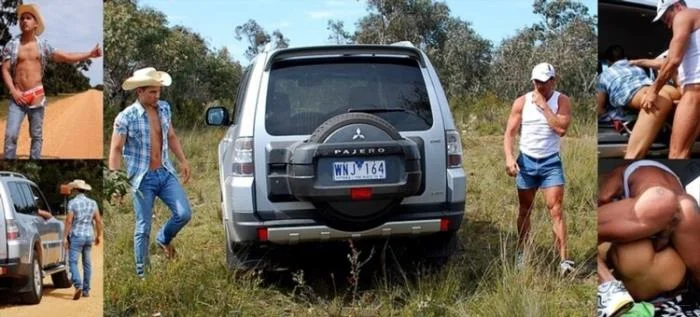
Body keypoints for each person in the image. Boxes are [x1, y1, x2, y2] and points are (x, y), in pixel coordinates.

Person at [108, 67, 192, 279]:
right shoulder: (125, 117)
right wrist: (116, 180)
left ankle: (163, 238)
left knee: (184, 214)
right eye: (152, 92)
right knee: (143, 227)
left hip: (164, 172)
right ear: (140, 92)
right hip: (142, 179)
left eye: (158, 91)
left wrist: (183, 160)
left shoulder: (164, 109)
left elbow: (171, 136)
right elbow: (116, 149)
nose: (157, 96)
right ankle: (143, 275)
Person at [596, 160, 700, 316]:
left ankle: (607, 285)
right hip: (684, 203)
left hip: (653, 203)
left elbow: (604, 196)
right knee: (686, 212)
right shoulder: (674, 178)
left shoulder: (620, 171)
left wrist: (614, 208)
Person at [0, 3, 102, 159]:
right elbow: (5, 69)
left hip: (36, 96)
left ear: (35, 24)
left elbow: (65, 56)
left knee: (36, 136)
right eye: (21, 19)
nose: (24, 21)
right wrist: (13, 91)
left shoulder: (43, 46)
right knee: (11, 135)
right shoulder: (12, 45)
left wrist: (89, 54)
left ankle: (36, 159)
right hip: (17, 96)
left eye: (28, 18)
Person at [503, 62, 574, 274]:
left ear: (553, 80)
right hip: (526, 162)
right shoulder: (521, 102)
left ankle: (563, 261)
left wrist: (543, 105)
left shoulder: (561, 100)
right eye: (537, 82)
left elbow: (561, 129)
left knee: (556, 211)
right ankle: (522, 255)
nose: (540, 86)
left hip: (550, 163)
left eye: (545, 82)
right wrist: (509, 157)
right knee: (525, 210)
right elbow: (509, 133)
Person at [597, 45, 679, 159]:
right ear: (624, 56)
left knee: (656, 102)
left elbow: (600, 108)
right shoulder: (637, 67)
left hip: (643, 95)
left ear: (608, 61)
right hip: (662, 89)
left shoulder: (603, 76)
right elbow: (667, 64)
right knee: (677, 98)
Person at [643, 0, 700, 158]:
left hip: (695, 93)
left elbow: (673, 60)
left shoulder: (683, 15)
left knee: (677, 153)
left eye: (666, 18)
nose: (668, 25)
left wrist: (653, 91)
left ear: (677, 6)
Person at [62, 179, 102, 300]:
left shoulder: (72, 203)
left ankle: (78, 285)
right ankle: (86, 290)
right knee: (87, 263)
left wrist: (64, 237)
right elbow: (98, 220)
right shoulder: (93, 203)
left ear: (75, 190)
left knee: (72, 262)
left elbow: (69, 221)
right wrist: (98, 235)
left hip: (77, 235)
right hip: (89, 235)